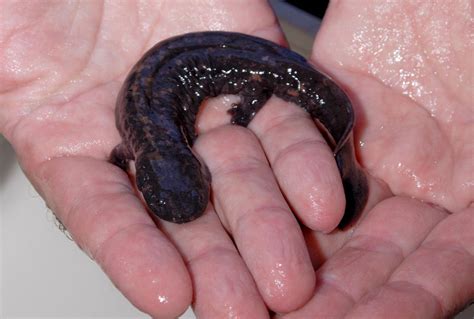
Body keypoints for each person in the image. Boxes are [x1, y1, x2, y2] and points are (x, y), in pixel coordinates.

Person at [0, 1, 472, 318]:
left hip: (253, 66)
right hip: (221, 60)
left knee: (290, 87)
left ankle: (319, 129)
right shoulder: (136, 143)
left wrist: (249, 103)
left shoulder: (138, 140)